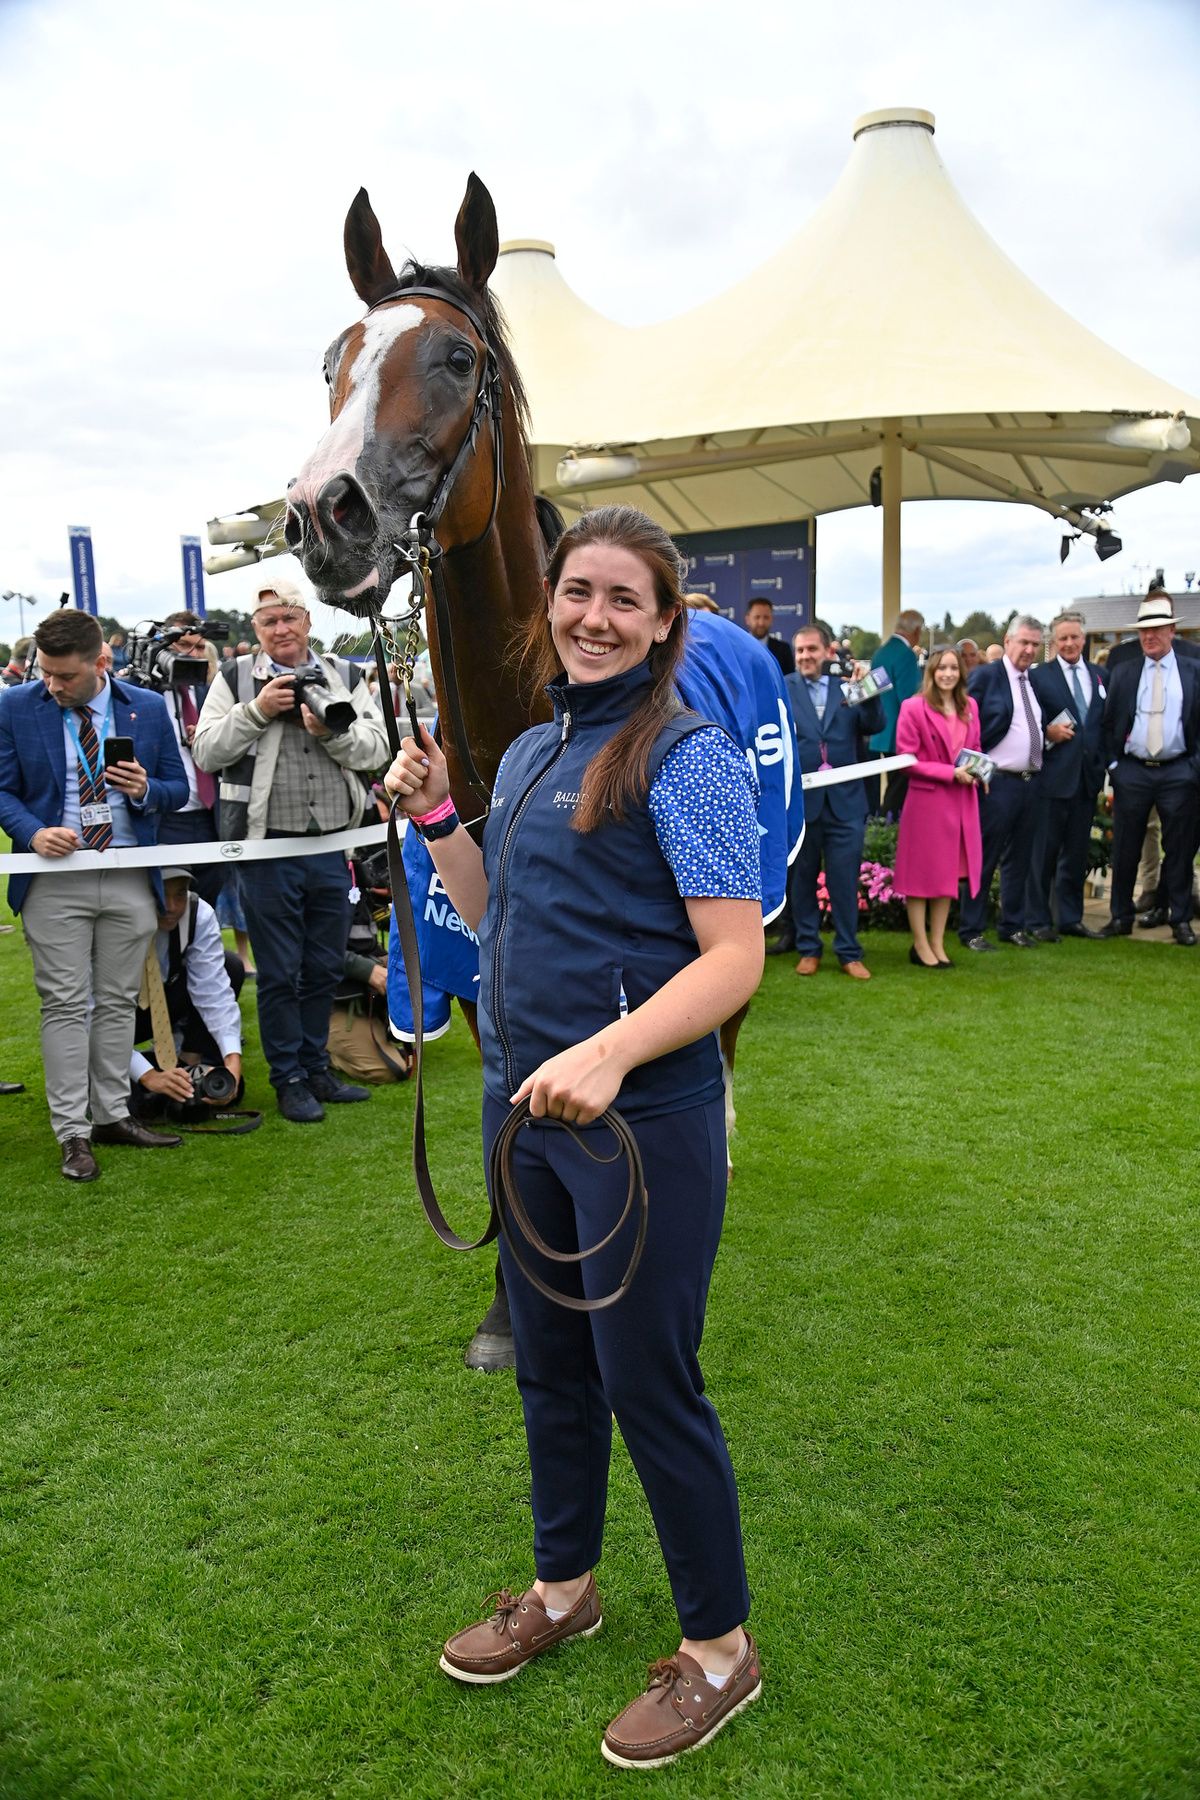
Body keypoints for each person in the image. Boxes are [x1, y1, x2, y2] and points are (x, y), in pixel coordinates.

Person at [383, 505, 764, 1770]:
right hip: (525, 1118)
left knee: (649, 1384)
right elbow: (500, 923)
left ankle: (721, 1654)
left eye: (623, 600)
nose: (593, 618)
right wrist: (444, 823)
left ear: (663, 625)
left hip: (639, 1127)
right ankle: (565, 1592)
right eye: (576, 592)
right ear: (548, 601)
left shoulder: (688, 755)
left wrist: (609, 1053)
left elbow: (736, 959)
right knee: (549, 1370)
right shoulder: (543, 746)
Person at [191, 577, 390, 1121]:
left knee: (324, 965)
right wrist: (256, 711)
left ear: (308, 622)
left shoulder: (345, 675)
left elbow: (377, 748)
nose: (281, 629)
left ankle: (317, 1068)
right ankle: (289, 1079)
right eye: (269, 622)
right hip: (265, 847)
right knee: (280, 971)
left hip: (333, 843)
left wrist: (330, 733)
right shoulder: (233, 678)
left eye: (290, 618)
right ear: (255, 631)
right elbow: (206, 752)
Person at [0, 608, 189, 1180]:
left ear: (100, 662)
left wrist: (144, 790)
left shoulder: (149, 708)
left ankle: (111, 1114)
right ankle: (72, 1133)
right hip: (54, 879)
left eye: (64, 676)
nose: (51, 685)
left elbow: (177, 790)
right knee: (64, 1003)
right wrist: (32, 831)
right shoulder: (14, 705)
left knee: (115, 1002)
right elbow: (2, 790)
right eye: (45, 673)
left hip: (131, 872)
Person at [781, 622, 883, 979]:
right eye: (800, 651)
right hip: (803, 803)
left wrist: (867, 690)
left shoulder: (848, 687)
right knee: (802, 879)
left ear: (827, 652)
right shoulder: (783, 688)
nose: (805, 656)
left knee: (844, 880)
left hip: (846, 803)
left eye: (811, 649)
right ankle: (809, 949)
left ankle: (848, 951)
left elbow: (874, 724)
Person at [1099, 592, 1200, 946]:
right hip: (1134, 771)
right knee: (1125, 847)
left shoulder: (1193, 670)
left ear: (1172, 630)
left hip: (1178, 771)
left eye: (1156, 629)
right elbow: (1109, 723)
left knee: (1180, 848)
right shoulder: (1125, 672)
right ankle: (1119, 917)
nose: (1149, 637)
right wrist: (1116, 765)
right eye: (1143, 631)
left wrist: (1192, 767)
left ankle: (1180, 919)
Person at [957, 615, 1054, 951]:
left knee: (1020, 859)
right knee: (983, 857)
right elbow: (964, 724)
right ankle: (971, 929)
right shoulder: (987, 675)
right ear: (1008, 640)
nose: (1028, 649)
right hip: (995, 783)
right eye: (1023, 642)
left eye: (1034, 643)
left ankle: (1012, 926)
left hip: (1030, 783)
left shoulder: (1034, 682)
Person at [129, 868, 245, 1118]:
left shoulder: (199, 912)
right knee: (132, 1103)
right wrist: (149, 1077)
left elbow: (213, 990)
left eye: (180, 894)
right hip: (115, 1018)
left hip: (165, 1002)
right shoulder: (113, 917)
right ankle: (144, 1070)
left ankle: (192, 1062)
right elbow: (91, 1018)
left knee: (230, 966)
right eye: (160, 894)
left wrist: (233, 1059)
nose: (171, 906)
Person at [894, 647, 983, 967]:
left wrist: (978, 772)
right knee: (921, 879)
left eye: (953, 668)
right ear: (931, 672)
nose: (947, 673)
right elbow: (907, 758)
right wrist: (950, 773)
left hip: (960, 803)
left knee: (947, 878)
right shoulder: (913, 707)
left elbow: (976, 749)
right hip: (927, 802)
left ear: (961, 672)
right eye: (941, 668)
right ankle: (920, 945)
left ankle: (937, 942)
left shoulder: (969, 705)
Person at [1025, 611, 1107, 940]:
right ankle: (1037, 920)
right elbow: (1029, 723)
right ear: (1053, 642)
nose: (1070, 643)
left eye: (1075, 637)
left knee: (1075, 853)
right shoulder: (1039, 677)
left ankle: (1071, 918)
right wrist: (1048, 734)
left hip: (1087, 780)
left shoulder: (1101, 675)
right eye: (1063, 638)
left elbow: (1106, 724)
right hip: (1053, 777)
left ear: (1084, 639)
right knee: (1044, 853)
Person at [150, 611, 225, 908]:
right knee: (167, 909)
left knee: (206, 910)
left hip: (211, 816)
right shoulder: (145, 694)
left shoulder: (210, 693)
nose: (192, 654)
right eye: (182, 646)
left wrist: (213, 736)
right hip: (166, 817)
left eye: (198, 646)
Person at [868, 608, 925, 813]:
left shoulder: (881, 652)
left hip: (878, 732)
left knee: (881, 788)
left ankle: (879, 826)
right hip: (899, 733)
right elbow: (909, 698)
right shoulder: (907, 655)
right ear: (917, 630)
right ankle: (887, 828)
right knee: (897, 790)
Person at [742, 596, 794, 676]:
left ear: (771, 619)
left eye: (766, 617)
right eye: (757, 617)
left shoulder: (784, 649)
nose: (761, 623)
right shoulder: (738, 647)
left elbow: (790, 681)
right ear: (747, 620)